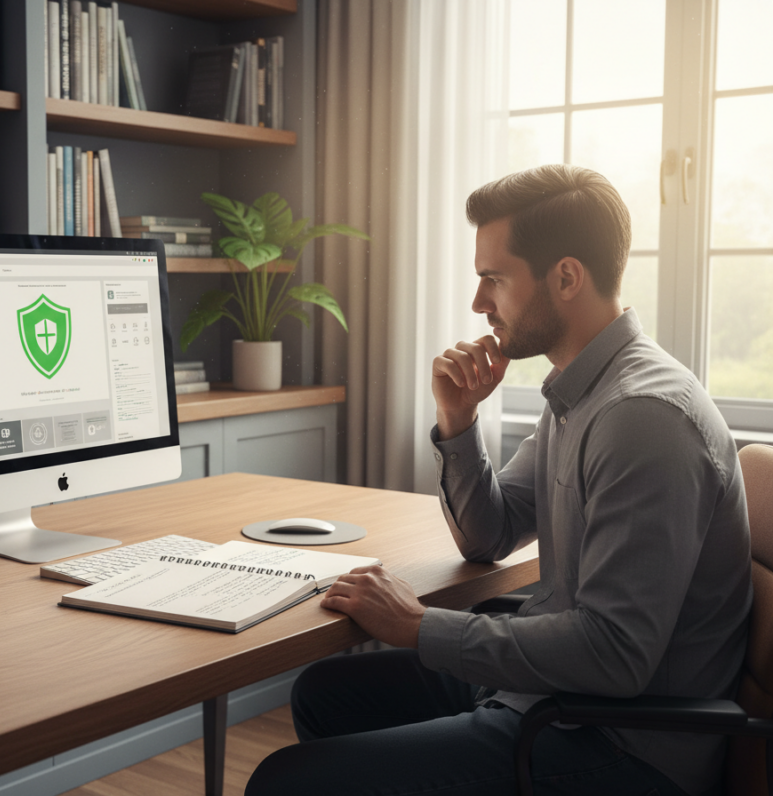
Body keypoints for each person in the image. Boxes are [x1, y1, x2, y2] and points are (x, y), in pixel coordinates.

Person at [245, 165, 752, 796]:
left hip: (619, 743)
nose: (480, 303)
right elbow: (491, 534)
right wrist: (458, 422)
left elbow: (615, 654)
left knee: (284, 783)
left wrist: (420, 627)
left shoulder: (643, 417)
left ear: (566, 277)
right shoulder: (580, 390)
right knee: (326, 694)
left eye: (494, 279)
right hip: (555, 695)